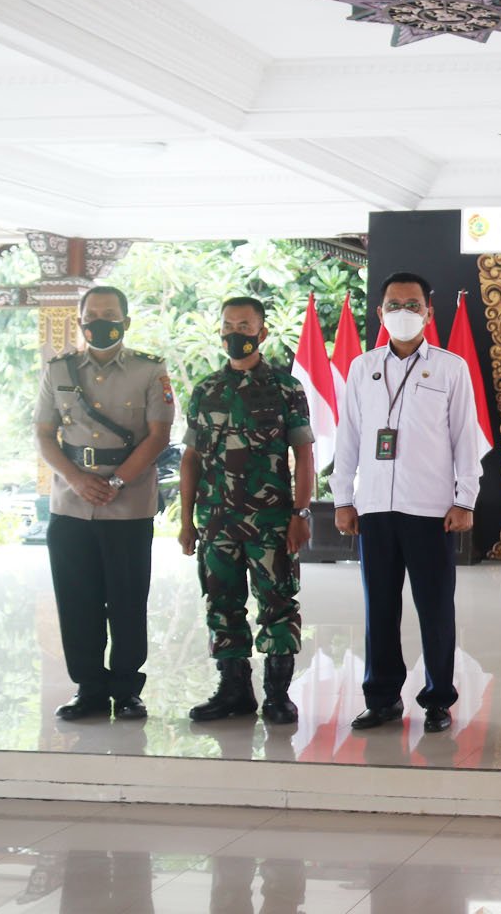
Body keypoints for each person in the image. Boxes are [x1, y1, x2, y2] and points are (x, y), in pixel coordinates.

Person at [333, 272, 482, 734]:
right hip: (375, 507)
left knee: (435, 608)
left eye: (413, 304)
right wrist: (343, 498)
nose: (403, 312)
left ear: (428, 313)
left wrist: (465, 499)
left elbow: (465, 439)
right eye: (394, 304)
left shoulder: (449, 367)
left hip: (431, 509)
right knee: (379, 608)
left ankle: (438, 699)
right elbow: (350, 437)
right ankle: (381, 698)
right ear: (379, 313)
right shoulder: (363, 367)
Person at [33, 285, 176, 720]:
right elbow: (43, 434)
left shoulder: (150, 370)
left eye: (110, 315)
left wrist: (115, 481)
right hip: (70, 504)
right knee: (77, 599)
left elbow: (159, 435)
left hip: (128, 503)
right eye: (91, 315)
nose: (100, 322)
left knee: (128, 598)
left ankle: (127, 689)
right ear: (79, 322)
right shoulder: (57, 370)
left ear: (126, 322)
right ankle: (89, 689)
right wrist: (76, 479)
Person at [179, 296, 315, 725]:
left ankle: (278, 694)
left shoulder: (284, 388)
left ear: (262, 332)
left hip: (271, 521)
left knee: (277, 603)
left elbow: (305, 455)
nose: (235, 333)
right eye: (228, 325)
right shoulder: (205, 390)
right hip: (217, 521)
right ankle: (234, 690)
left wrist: (301, 512)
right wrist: (186, 521)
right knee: (221, 604)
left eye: (245, 325)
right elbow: (190, 460)